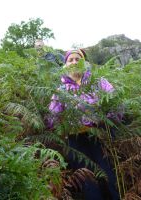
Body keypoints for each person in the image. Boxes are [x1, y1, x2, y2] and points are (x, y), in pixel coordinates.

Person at [48, 49, 120, 200]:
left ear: (84, 63)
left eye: (77, 59)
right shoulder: (60, 90)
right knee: (87, 178)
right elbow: (52, 117)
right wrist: (62, 125)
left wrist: (107, 119)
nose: (74, 62)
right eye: (70, 60)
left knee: (108, 174)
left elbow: (115, 102)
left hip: (99, 135)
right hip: (76, 140)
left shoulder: (99, 82)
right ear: (65, 65)